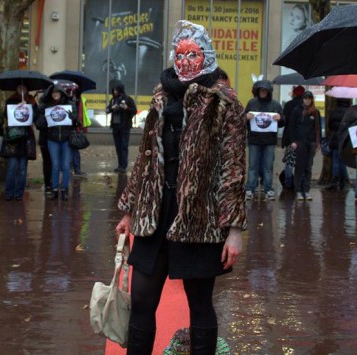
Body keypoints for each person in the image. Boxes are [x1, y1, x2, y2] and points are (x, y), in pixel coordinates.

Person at [114, 20, 246, 354]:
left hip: (199, 216)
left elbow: (233, 169)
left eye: (194, 54)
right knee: (142, 298)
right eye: (180, 53)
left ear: (207, 56)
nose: (186, 61)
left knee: (199, 302)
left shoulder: (223, 102)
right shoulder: (160, 98)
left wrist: (233, 229)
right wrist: (130, 210)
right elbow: (145, 159)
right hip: (154, 213)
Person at [35, 85, 79, 201]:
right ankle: (54, 189)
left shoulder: (69, 105)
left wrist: (73, 117)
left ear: (61, 93)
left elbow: (77, 122)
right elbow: (39, 125)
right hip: (52, 139)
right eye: (53, 93)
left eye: (57, 93)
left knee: (65, 165)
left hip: (66, 139)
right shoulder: (46, 106)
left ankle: (64, 189)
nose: (55, 95)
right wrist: (44, 117)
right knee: (55, 165)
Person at [244, 80, 284, 200]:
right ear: (257, 91)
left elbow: (283, 122)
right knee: (252, 166)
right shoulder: (251, 103)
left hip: (269, 141)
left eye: (265, 90)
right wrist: (246, 117)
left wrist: (280, 118)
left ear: (269, 92)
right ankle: (250, 188)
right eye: (261, 90)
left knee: (268, 166)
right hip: (254, 139)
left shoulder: (276, 105)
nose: (262, 92)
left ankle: (268, 189)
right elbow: (243, 120)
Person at [283, 91, 321, 201]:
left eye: (309, 98)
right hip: (300, 142)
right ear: (302, 99)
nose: (307, 100)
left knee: (308, 167)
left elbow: (317, 128)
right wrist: (293, 141)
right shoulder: (296, 111)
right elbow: (292, 127)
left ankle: (307, 190)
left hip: (311, 142)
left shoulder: (315, 112)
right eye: (305, 98)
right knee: (299, 167)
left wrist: (318, 142)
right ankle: (298, 190)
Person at [2, 85, 37, 201]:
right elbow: (5, 115)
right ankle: (9, 193)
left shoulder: (31, 100)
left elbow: (36, 116)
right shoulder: (11, 100)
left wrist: (27, 106)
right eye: (19, 88)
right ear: (16, 88)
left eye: (24, 88)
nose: (22, 90)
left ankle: (19, 193)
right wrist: (16, 107)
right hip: (14, 137)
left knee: (22, 168)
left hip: (26, 138)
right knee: (12, 167)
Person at [106, 82, 137, 173]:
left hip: (125, 126)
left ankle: (123, 166)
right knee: (118, 146)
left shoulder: (128, 99)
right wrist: (112, 108)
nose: (114, 91)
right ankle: (120, 165)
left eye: (116, 90)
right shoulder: (113, 99)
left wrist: (126, 108)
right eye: (114, 90)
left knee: (124, 146)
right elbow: (107, 110)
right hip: (115, 126)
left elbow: (134, 110)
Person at [281, 85, 306, 189]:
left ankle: (287, 183)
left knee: (289, 162)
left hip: (290, 138)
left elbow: (284, 121)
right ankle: (300, 184)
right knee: (301, 162)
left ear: (294, 93)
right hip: (302, 139)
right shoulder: (306, 106)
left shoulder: (288, 105)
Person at [324, 98, 351, 191]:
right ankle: (343, 181)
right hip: (344, 138)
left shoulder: (333, 111)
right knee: (342, 160)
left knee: (335, 160)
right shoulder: (348, 112)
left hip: (335, 138)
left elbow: (330, 124)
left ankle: (335, 180)